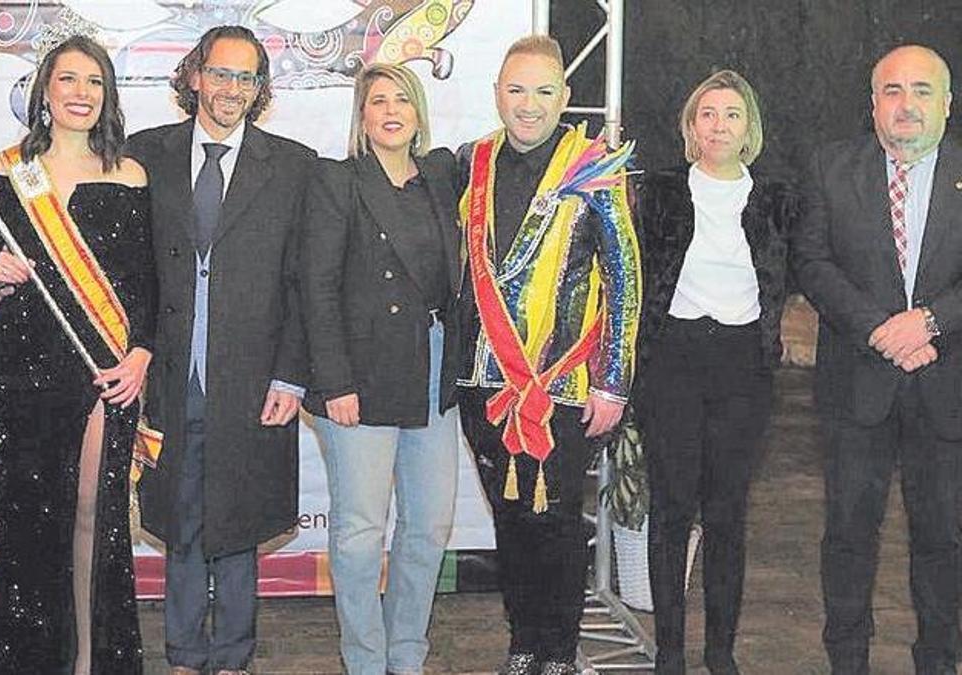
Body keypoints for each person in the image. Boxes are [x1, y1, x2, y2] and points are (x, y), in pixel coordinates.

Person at [128, 25, 314, 675]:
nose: (232, 88)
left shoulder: (294, 166)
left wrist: (291, 376)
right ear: (195, 76)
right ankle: (182, 654)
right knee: (180, 518)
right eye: (221, 73)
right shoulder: (142, 155)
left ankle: (232, 656)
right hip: (169, 375)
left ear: (260, 89)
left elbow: (304, 281)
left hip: (254, 378)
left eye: (247, 77)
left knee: (238, 520)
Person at [455, 35, 640, 675]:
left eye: (541, 91)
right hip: (484, 382)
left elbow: (625, 278)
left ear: (565, 97)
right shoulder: (472, 162)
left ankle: (559, 651)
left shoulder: (594, 165)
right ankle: (522, 645)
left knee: (557, 525)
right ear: (497, 94)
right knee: (510, 523)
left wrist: (614, 381)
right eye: (515, 89)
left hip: (565, 386)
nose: (527, 105)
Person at [0, 33, 154, 674]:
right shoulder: (5, 171)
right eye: (69, 80)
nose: (81, 94)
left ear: (107, 96)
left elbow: (146, 287)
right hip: (20, 370)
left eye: (94, 82)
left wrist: (142, 354)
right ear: (44, 92)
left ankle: (89, 663)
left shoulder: (131, 175)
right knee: (27, 524)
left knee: (94, 516)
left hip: (104, 369)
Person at [794, 44, 959, 674]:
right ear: (872, 105)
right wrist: (880, 329)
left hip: (947, 387)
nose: (907, 105)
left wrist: (931, 322)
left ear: (948, 103)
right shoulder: (830, 168)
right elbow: (810, 260)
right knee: (848, 539)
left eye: (922, 90)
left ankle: (939, 663)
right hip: (857, 387)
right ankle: (848, 663)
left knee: (943, 540)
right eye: (892, 91)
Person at [633, 69, 797, 675]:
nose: (719, 124)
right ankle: (669, 653)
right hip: (672, 361)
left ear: (748, 127)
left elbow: (794, 277)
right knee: (672, 510)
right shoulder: (659, 192)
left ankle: (720, 654)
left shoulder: (779, 200)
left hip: (743, 369)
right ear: (691, 127)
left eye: (731, 114)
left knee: (727, 515)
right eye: (708, 114)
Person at [301, 63, 461, 675]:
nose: (391, 109)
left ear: (419, 112)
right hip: (361, 378)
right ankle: (365, 661)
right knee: (362, 534)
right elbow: (316, 287)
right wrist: (334, 382)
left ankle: (407, 654)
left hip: (434, 369)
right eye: (377, 100)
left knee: (428, 527)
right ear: (361, 116)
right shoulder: (337, 181)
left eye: (402, 99)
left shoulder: (442, 178)